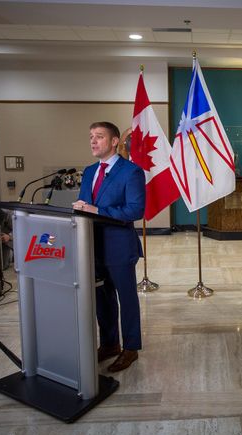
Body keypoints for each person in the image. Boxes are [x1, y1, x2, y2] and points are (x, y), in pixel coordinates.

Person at [72, 121, 146, 373]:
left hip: (119, 247)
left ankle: (131, 348)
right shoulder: (90, 171)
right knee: (102, 300)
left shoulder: (131, 172)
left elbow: (135, 210)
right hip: (92, 246)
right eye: (91, 136)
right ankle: (110, 344)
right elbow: (85, 203)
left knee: (126, 299)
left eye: (99, 137)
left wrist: (98, 210)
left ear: (115, 141)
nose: (93, 141)